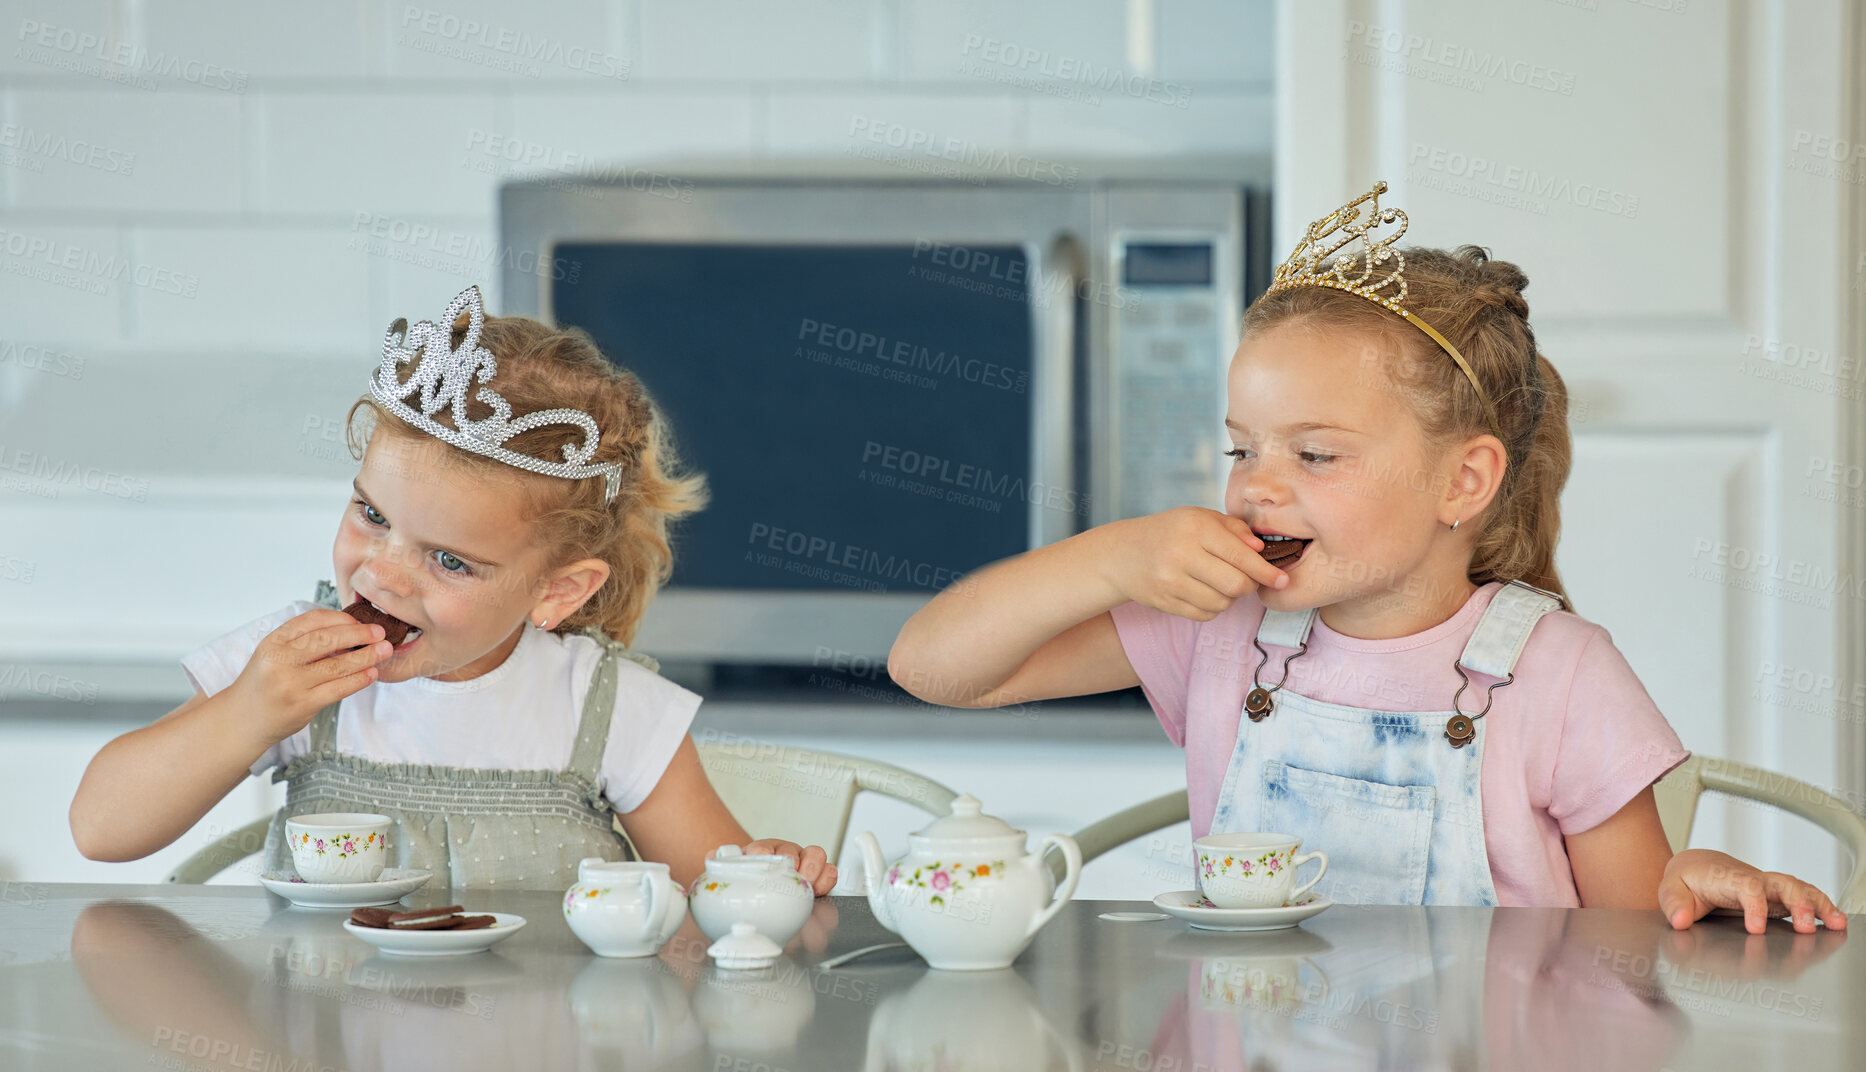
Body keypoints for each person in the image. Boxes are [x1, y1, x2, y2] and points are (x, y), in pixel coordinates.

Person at [889, 182, 1845, 932]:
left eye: (1314, 454)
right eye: (1241, 449)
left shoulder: (1559, 674)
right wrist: (1110, 556)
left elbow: (1634, 945)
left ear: (1462, 484)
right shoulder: (1220, 627)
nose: (1258, 485)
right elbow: (932, 668)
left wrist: (1697, 889)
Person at [70, 286, 838, 894]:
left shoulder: (605, 706)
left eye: (450, 562)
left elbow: (717, 897)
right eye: (372, 515)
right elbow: (102, 828)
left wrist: (768, 877)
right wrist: (247, 713)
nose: (381, 574)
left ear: (558, 592)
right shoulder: (292, 666)